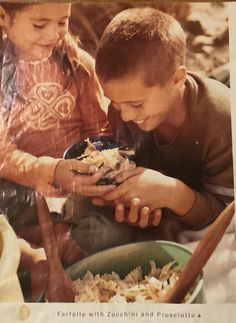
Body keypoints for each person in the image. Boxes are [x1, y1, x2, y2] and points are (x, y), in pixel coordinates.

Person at [93, 7, 233, 231]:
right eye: (116, 103)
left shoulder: (223, 120)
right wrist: (128, 201)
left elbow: (227, 215)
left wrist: (171, 193)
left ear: (177, 79)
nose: (125, 115)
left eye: (136, 104)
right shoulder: (122, 111)